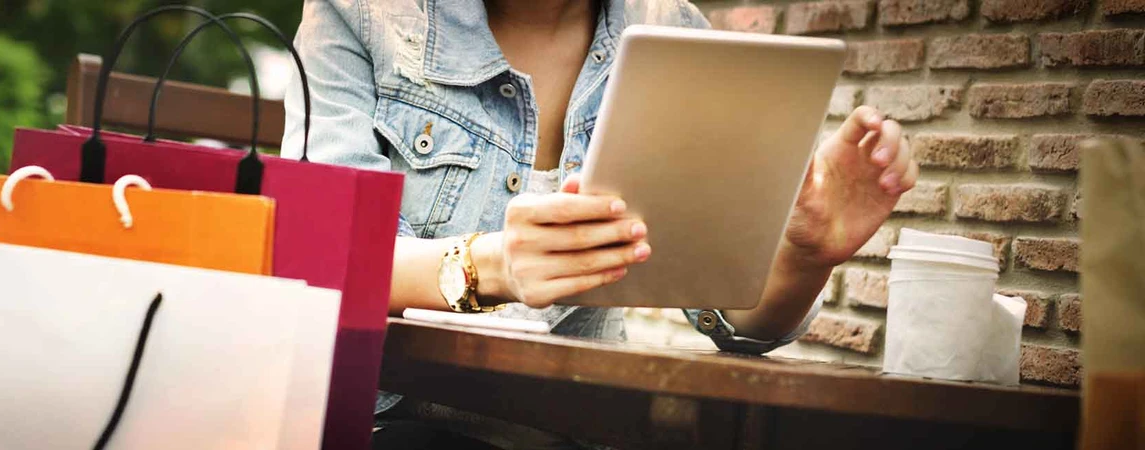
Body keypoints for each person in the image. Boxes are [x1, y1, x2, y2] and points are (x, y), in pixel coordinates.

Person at [281, 0, 918, 448]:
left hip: (580, 431)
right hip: (383, 424)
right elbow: (316, 255)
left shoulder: (674, 30)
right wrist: (490, 266)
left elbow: (730, 319)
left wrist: (804, 257)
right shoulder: (356, 12)